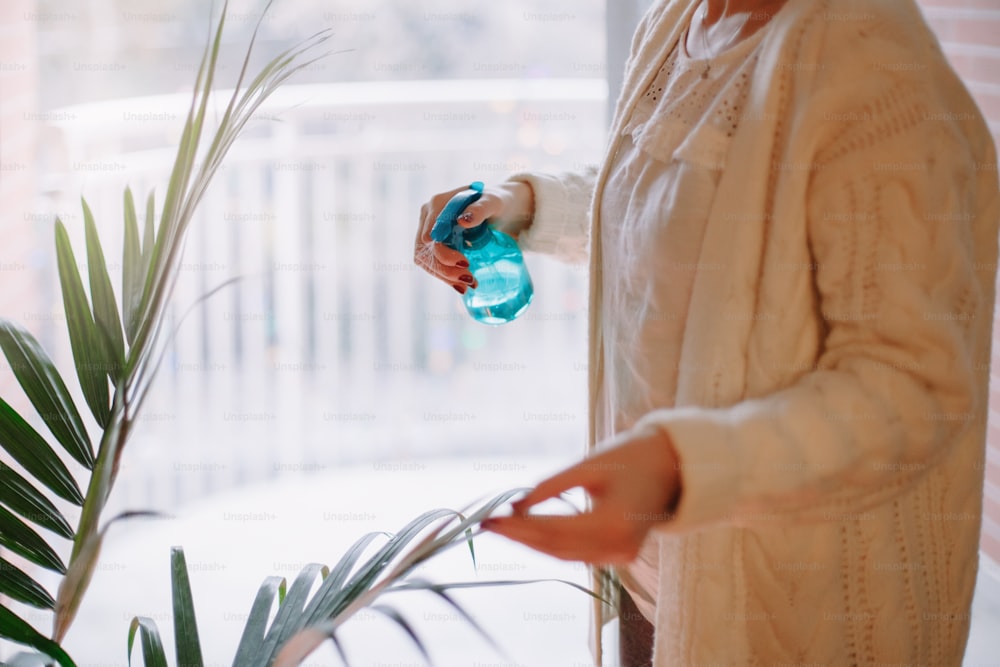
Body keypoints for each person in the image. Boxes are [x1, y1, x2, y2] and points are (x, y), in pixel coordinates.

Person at [414, 0, 1000, 664]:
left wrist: (678, 467)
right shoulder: (677, 18)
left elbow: (913, 390)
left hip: (784, 611)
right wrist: (526, 204)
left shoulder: (873, 65)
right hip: (655, 576)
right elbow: (671, 203)